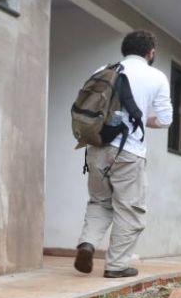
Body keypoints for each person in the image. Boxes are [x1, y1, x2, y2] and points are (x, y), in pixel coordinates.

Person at [74, 29, 173, 279]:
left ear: (124, 50)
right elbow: (165, 119)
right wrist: (141, 121)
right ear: (151, 53)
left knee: (100, 202)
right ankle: (116, 265)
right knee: (129, 209)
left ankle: (87, 243)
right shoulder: (156, 77)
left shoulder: (103, 70)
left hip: (96, 148)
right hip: (129, 152)